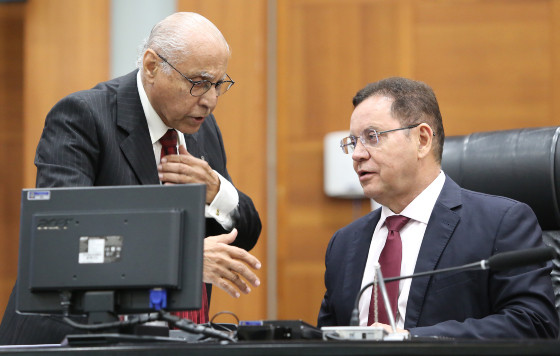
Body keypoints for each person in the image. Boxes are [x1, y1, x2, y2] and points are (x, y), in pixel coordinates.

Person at [0, 12, 262, 344]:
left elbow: (244, 237)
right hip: (75, 338)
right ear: (152, 66)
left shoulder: (202, 129)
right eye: (199, 82)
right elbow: (67, 243)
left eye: (218, 85)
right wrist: (186, 261)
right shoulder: (83, 116)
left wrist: (218, 192)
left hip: (172, 339)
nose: (210, 100)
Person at [317, 77, 559, 338]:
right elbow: (324, 339)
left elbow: (535, 323)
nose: (357, 154)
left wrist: (411, 339)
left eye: (372, 137)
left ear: (422, 139)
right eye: (353, 142)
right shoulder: (344, 243)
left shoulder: (501, 223)